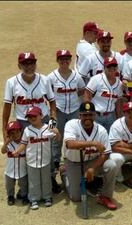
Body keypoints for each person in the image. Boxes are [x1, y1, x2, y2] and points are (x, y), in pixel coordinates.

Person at [63, 102, 119, 210]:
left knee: (111, 165)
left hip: (93, 161)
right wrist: (94, 143)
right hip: (74, 163)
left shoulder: (101, 130)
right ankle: (65, 175)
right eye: (84, 115)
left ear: (94, 115)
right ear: (79, 115)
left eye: (90, 115)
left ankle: (105, 196)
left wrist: (92, 168)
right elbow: (70, 144)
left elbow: (106, 153)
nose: (87, 118)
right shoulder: (71, 124)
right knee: (76, 198)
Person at [48, 49, 85, 191]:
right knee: (54, 140)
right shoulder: (51, 77)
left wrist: (74, 99)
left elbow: (81, 90)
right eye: (61, 59)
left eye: (66, 59)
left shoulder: (76, 76)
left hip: (75, 111)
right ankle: (52, 175)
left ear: (70, 60)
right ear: (57, 61)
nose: (64, 62)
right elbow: (47, 95)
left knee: (75, 138)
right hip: (55, 112)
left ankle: (73, 169)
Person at [12, 106, 60, 210]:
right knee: (34, 181)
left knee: (46, 180)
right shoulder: (27, 130)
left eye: (34, 116)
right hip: (32, 161)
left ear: (41, 116)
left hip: (45, 160)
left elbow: (57, 137)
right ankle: (33, 199)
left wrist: (57, 132)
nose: (32, 118)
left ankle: (47, 197)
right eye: (29, 117)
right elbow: (23, 144)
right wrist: (17, 151)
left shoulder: (49, 127)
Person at [2, 52, 57, 137]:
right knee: (26, 149)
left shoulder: (45, 80)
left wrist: (52, 125)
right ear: (19, 66)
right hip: (23, 122)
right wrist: (5, 133)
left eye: (32, 63)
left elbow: (52, 102)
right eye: (25, 64)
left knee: (47, 148)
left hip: (43, 120)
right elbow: (6, 109)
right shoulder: (11, 83)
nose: (29, 67)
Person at [84, 57, 123, 131]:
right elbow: (87, 95)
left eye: (114, 66)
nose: (112, 68)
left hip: (111, 116)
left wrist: (119, 118)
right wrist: (88, 113)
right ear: (104, 68)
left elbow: (118, 103)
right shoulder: (97, 79)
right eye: (109, 66)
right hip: (96, 115)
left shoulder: (119, 84)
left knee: (109, 140)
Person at [1, 121, 28, 205]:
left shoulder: (24, 143)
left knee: (23, 185)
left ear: (21, 131)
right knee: (9, 186)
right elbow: (2, 151)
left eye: (17, 132)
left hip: (22, 170)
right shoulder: (9, 144)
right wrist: (6, 142)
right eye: (12, 133)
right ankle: (10, 196)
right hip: (10, 170)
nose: (15, 134)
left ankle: (24, 196)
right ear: (9, 135)